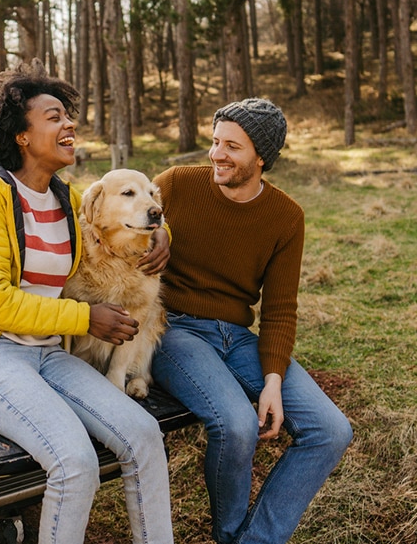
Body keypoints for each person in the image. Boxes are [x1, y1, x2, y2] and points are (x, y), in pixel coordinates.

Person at [0, 63, 174, 544]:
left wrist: (163, 230)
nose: (69, 125)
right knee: (75, 460)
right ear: (22, 135)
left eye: (69, 116)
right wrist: (86, 317)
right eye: (53, 117)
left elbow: (125, 208)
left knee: (146, 437)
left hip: (48, 352)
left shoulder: (67, 198)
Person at [150, 98, 352, 544]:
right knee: (237, 425)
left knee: (331, 431)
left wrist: (273, 381)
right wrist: (157, 230)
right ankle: (231, 535)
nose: (216, 155)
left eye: (232, 147)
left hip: (237, 336)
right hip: (174, 328)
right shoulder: (177, 184)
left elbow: (280, 308)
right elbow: (125, 214)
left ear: (261, 157)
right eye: (215, 141)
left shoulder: (285, 217)